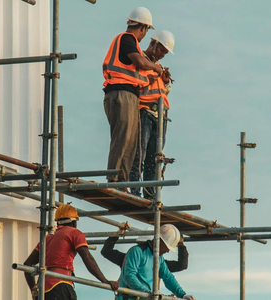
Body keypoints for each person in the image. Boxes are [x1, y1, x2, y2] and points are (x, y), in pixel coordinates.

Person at [103, 7, 164, 186]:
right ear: (144, 28)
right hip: (120, 94)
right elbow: (138, 61)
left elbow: (135, 72)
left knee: (130, 142)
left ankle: (122, 181)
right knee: (122, 138)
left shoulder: (131, 45)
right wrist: (155, 68)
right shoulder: (127, 38)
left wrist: (151, 76)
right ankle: (114, 178)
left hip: (128, 95)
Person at [23, 204, 119, 299]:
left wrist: (34, 290)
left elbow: (27, 264)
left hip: (43, 289)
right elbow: (87, 257)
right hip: (61, 284)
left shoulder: (47, 238)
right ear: (74, 222)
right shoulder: (74, 233)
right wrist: (104, 281)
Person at [129, 30, 175, 199]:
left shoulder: (159, 68)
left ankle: (150, 194)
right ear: (153, 44)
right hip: (144, 112)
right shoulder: (140, 59)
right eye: (161, 50)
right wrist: (152, 78)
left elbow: (164, 92)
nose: (162, 54)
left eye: (165, 52)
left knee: (154, 159)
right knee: (138, 154)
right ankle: (134, 190)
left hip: (159, 116)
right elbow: (134, 83)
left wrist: (166, 81)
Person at [115, 225, 195, 300]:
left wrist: (182, 295)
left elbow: (168, 277)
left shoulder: (159, 258)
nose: (167, 251)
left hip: (145, 297)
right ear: (159, 240)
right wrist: (145, 292)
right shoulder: (137, 251)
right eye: (167, 247)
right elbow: (129, 276)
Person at [101, 226, 188, 272]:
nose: (141, 249)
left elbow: (181, 265)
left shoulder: (159, 263)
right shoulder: (129, 258)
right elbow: (106, 252)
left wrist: (180, 244)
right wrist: (116, 235)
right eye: (140, 245)